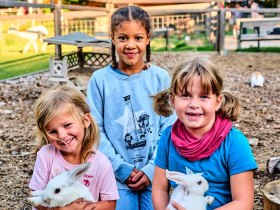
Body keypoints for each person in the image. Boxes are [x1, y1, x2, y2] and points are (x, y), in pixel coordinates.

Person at [86, 5, 176, 210]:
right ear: (112, 38)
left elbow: (170, 126)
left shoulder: (160, 78)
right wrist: (121, 169)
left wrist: (152, 169)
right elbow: (94, 129)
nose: (130, 45)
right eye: (123, 38)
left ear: (148, 38)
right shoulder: (100, 80)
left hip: (156, 172)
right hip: (114, 174)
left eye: (138, 37)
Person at [152, 56, 258, 210]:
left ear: (217, 101)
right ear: (173, 100)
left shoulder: (235, 143)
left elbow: (243, 203)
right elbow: (159, 189)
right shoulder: (168, 138)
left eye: (203, 96)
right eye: (186, 95)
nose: (194, 104)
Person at [29, 86, 119, 210]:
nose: (61, 135)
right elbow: (36, 196)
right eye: (53, 131)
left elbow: (110, 203)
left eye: (67, 125)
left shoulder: (101, 163)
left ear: (85, 120)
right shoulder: (46, 155)